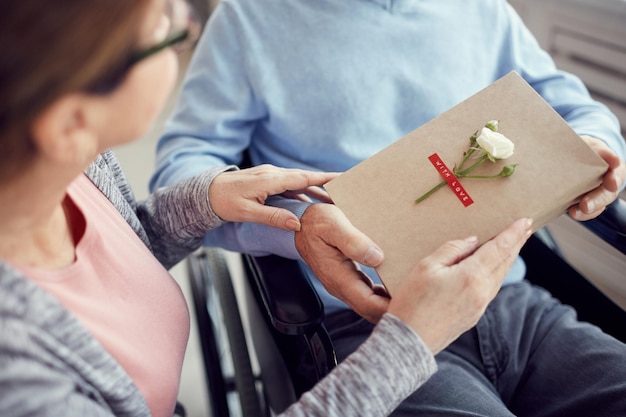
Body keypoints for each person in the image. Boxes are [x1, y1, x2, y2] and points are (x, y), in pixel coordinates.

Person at [0, 1, 535, 416]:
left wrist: (211, 198)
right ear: (68, 122)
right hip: (371, 323)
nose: (186, 33)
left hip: (511, 305)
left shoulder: (78, 165)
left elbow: (119, 254)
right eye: (164, 33)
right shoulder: (18, 374)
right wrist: (408, 344)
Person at [151, 0, 626, 415]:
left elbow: (576, 109)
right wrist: (288, 227)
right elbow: (183, 171)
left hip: (511, 302)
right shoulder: (247, 19)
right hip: (364, 320)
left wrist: (592, 147)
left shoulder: (483, 10)